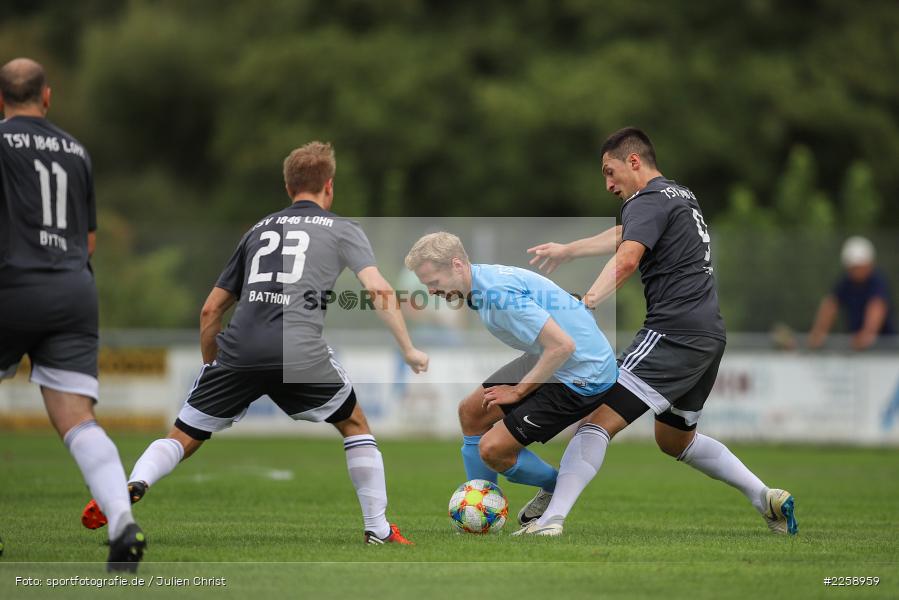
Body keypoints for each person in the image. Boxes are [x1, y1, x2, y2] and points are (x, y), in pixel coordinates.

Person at [81, 142, 428, 545]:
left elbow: (211, 311)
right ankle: (378, 529)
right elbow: (378, 289)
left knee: (182, 437)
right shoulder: (343, 229)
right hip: (299, 351)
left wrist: (213, 367)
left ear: (288, 187)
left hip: (239, 349)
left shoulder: (257, 231)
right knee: (354, 425)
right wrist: (408, 348)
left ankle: (135, 483)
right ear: (329, 186)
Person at [521, 127, 797, 536]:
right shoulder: (679, 195)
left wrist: (586, 303)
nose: (608, 184)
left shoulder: (645, 200)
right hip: (708, 336)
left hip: (672, 333)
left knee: (596, 420)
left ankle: (550, 521)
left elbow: (627, 258)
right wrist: (570, 250)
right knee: (675, 440)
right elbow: (625, 234)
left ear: (634, 161)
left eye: (610, 172)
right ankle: (766, 497)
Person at [0, 58, 145, 570]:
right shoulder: (76, 150)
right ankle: (122, 522)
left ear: (1, 99)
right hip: (73, 290)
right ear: (47, 96)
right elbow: (89, 240)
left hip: (10, 283)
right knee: (77, 418)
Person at [404, 231, 618, 527]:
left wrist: (518, 392)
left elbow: (563, 346)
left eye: (434, 282)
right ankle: (479, 511)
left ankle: (559, 487)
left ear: (457, 265)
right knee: (472, 412)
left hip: (583, 374)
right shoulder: (479, 282)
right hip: (553, 356)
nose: (431, 291)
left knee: (493, 450)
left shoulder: (497, 294)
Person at [807, 236, 895, 351]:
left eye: (859, 267)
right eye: (853, 267)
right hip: (856, 344)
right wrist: (819, 332)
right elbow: (830, 305)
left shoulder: (877, 281)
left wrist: (868, 333)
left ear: (869, 264)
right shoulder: (846, 282)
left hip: (886, 346)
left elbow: (877, 306)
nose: (856, 271)